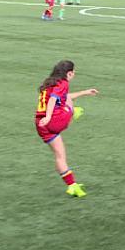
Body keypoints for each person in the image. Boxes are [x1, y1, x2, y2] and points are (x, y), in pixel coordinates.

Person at [35, 60, 99, 198]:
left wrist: (85, 92)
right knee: (69, 104)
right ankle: (72, 112)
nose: (74, 74)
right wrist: (48, 116)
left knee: (60, 156)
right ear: (69, 73)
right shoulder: (63, 83)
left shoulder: (49, 83)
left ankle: (72, 186)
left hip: (41, 126)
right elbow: (53, 99)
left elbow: (61, 97)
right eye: (74, 71)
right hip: (53, 120)